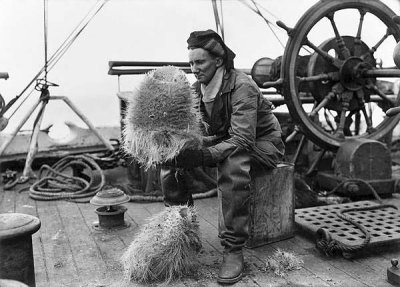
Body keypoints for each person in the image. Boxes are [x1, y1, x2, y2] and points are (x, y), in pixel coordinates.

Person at [161, 29, 284, 284]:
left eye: (200, 62)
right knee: (172, 162)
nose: (194, 69)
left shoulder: (242, 86)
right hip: (228, 138)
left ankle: (233, 249)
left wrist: (204, 155)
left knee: (233, 163)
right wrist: (181, 149)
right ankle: (183, 235)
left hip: (263, 144)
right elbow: (198, 132)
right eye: (191, 63)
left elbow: (242, 140)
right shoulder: (197, 90)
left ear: (218, 61)